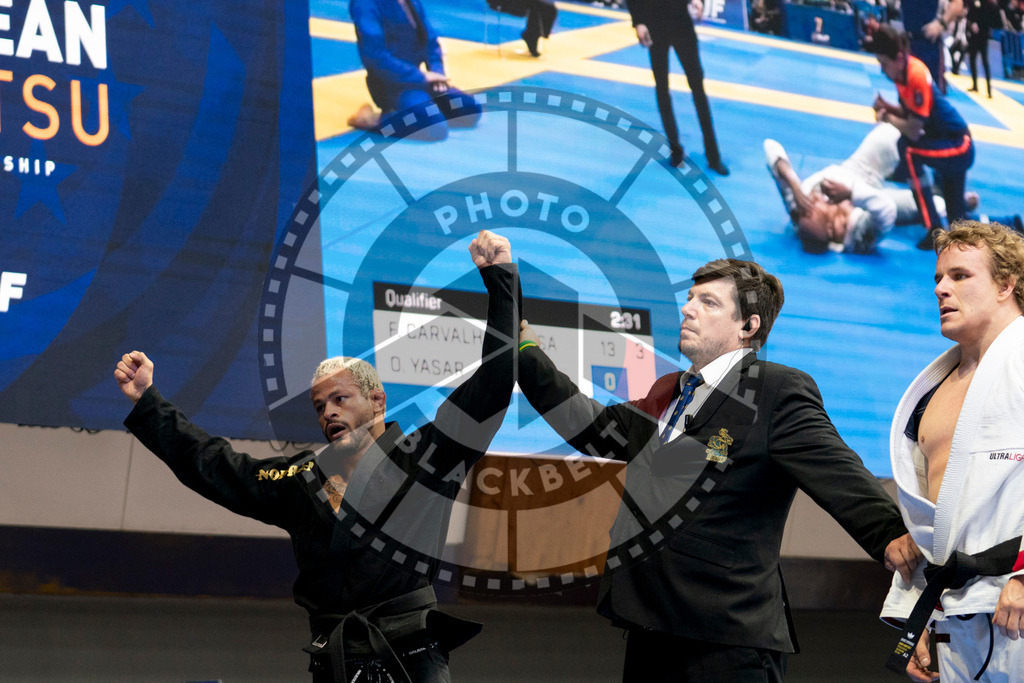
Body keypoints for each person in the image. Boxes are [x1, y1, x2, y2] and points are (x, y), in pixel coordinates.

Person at [113, 230, 518, 683]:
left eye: (340, 400)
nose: (328, 413)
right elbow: (214, 466)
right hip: (334, 660)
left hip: (411, 659)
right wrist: (148, 402)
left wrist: (500, 279)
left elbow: (494, 383)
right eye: (320, 407)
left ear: (378, 400)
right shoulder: (301, 477)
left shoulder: (425, 457)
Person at [517, 258, 921, 681]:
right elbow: (595, 428)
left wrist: (888, 533)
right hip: (651, 628)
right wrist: (527, 354)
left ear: (748, 325)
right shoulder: (668, 391)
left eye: (708, 302)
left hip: (726, 642)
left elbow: (837, 470)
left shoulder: (775, 390)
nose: (688, 309)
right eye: (690, 298)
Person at [880, 221, 1024, 682]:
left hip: (1014, 599)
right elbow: (931, 519)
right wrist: (915, 610)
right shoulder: (933, 390)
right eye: (938, 279)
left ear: (1006, 283)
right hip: (953, 606)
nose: (941, 288)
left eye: (960, 276)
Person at [868, 24, 975, 250]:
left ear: (898, 58)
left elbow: (914, 130)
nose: (882, 70)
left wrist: (887, 117)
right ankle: (1014, 223)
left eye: (883, 64)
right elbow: (910, 115)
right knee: (960, 227)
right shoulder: (902, 75)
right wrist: (887, 107)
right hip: (945, 143)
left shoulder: (915, 74)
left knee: (906, 148)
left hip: (958, 146)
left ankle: (933, 227)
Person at [349, 0, 483, 141]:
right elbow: (375, 57)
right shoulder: (365, 4)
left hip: (421, 82)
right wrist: (421, 77)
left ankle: (423, 111)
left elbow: (431, 42)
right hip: (391, 86)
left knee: (470, 109)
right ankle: (373, 120)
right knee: (436, 128)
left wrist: (438, 74)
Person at [627, 0, 730, 175]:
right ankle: (675, 151)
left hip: (681, 21)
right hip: (654, 22)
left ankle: (713, 156)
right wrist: (638, 22)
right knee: (662, 87)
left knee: (698, 86)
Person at [966, 0, 1001, 97]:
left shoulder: (990, 5)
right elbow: (969, 16)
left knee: (985, 61)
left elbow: (996, 22)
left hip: (983, 35)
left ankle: (989, 89)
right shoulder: (974, 2)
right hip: (974, 36)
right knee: (972, 59)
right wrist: (971, 24)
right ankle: (975, 85)